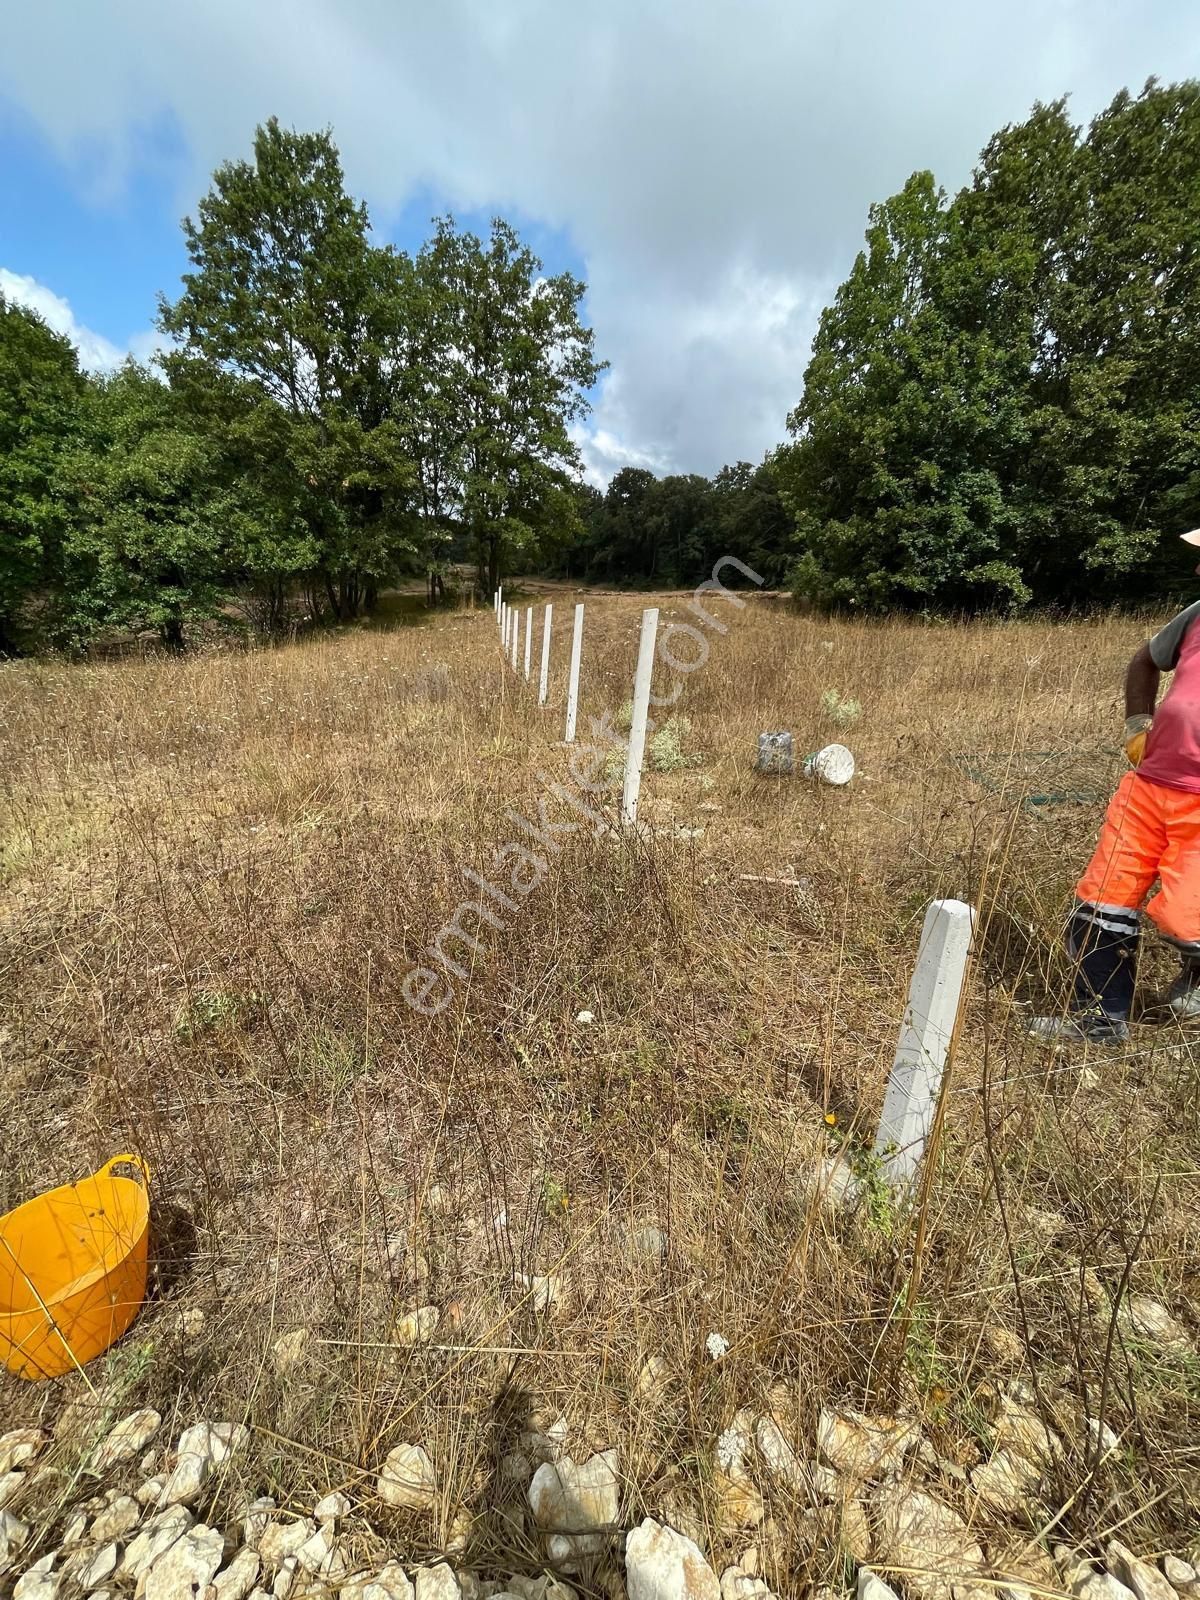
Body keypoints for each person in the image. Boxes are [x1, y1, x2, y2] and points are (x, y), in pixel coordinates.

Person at [1032, 529, 1200, 1044]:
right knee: (1101, 903)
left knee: (1184, 918)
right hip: (1148, 787)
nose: (1198, 570)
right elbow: (1144, 660)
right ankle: (1101, 1022)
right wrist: (1137, 725)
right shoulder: (1196, 615)